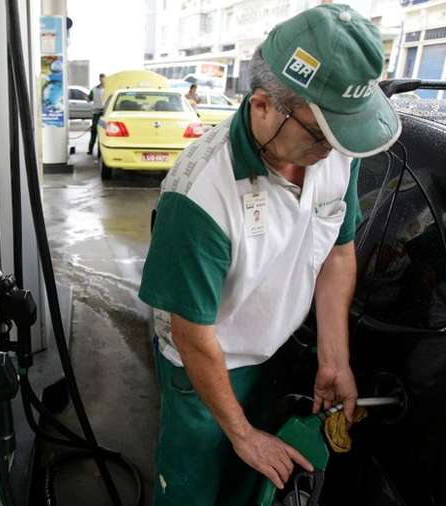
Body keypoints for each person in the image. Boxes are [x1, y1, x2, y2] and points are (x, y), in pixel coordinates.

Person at [138, 5, 401, 505]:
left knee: (252, 485)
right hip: (201, 366)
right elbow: (192, 334)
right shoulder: (200, 197)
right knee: (193, 490)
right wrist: (242, 433)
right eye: (321, 133)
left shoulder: (333, 153)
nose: (333, 149)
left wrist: (334, 358)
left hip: (270, 352)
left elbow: (338, 255)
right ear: (263, 106)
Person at [88, 73, 105, 156]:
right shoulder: (94, 89)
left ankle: (99, 152)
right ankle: (90, 150)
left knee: (102, 133)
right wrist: (87, 98)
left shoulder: (108, 89)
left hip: (104, 114)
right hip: (96, 114)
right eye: (101, 79)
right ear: (99, 79)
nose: (103, 80)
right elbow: (89, 99)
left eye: (104, 79)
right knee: (94, 131)